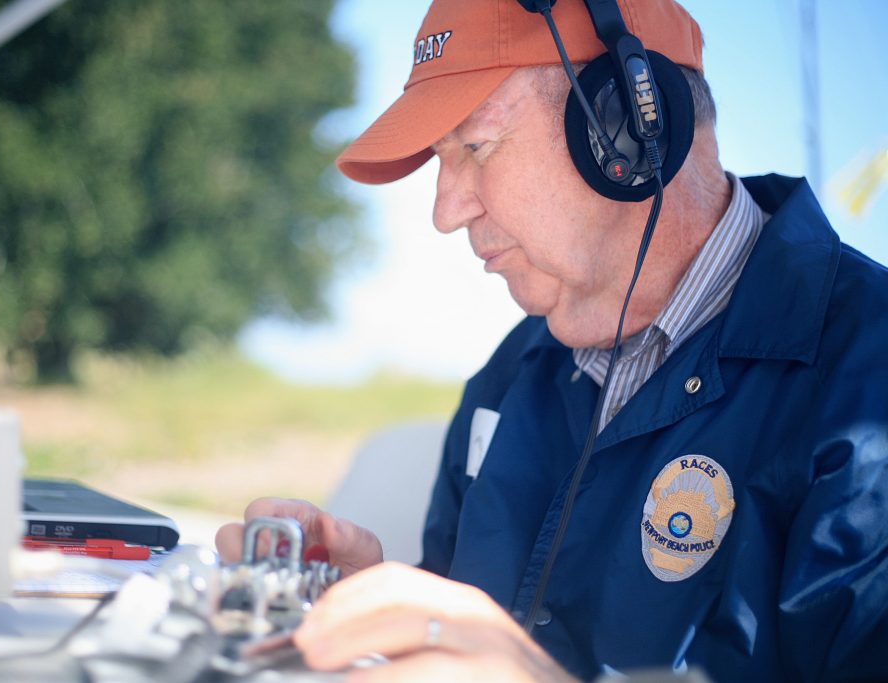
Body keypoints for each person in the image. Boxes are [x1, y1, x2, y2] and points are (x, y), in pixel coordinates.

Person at [217, 0, 888, 680]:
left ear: (630, 127)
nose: (445, 211)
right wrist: (378, 623)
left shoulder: (872, 387)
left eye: (473, 147)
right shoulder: (510, 375)